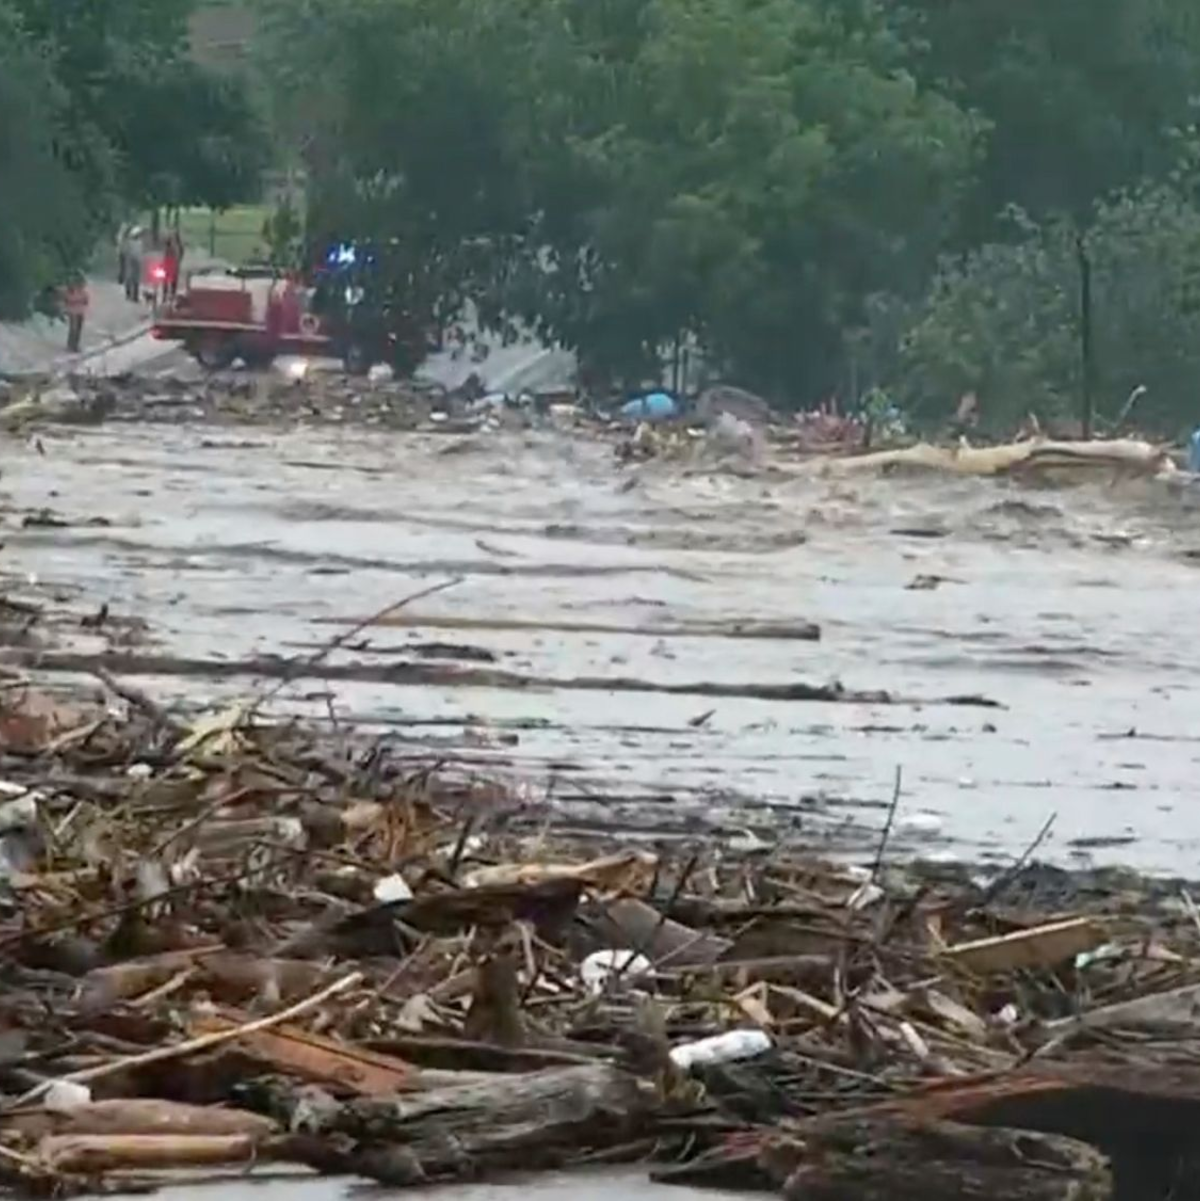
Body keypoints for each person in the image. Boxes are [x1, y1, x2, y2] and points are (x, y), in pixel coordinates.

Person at [63, 277, 89, 353]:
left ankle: (74, 345)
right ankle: (71, 345)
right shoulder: (70, 293)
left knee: (78, 329)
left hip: (80, 312)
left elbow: (86, 301)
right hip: (73, 313)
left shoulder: (83, 292)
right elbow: (67, 301)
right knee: (73, 329)